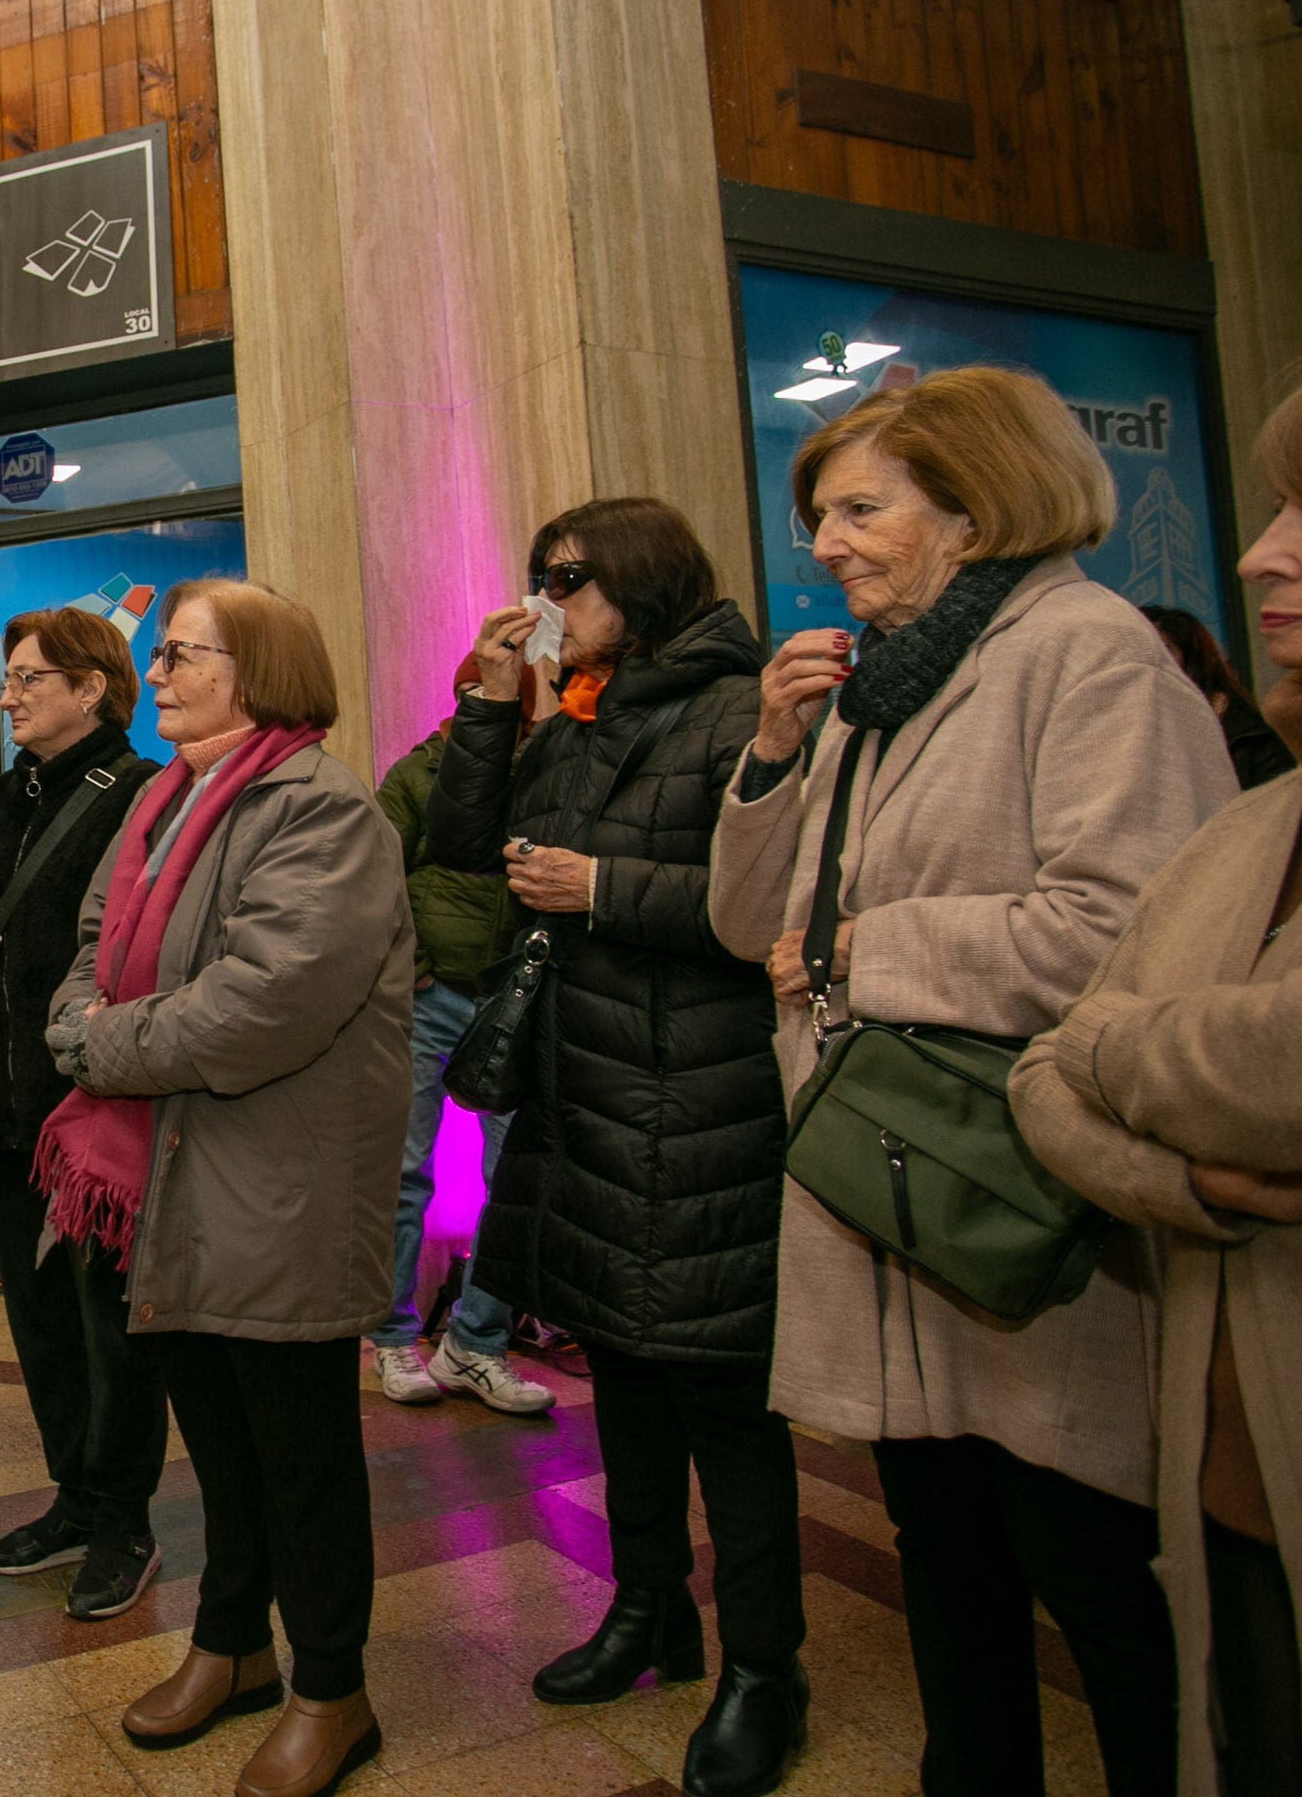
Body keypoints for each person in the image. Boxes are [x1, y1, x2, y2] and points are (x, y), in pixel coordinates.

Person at [705, 368, 1233, 1797]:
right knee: (942, 1557)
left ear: (973, 503)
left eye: (862, 509)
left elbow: (1126, 933)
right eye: (819, 515)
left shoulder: (1091, 654)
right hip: (882, 1192)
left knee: (1093, 1575)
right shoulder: (876, 692)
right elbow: (750, 928)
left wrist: (867, 951)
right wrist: (768, 756)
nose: (826, 543)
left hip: (1013, 1201)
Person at [1015, 328, 1302, 1796]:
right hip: (1229, 1497)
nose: (1265, 556)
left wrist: (1118, 1047)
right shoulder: (1254, 822)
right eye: (1277, 512)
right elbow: (1038, 1084)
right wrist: (1186, 1167)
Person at [425, 499, 803, 1793]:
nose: (551, 600)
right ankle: (652, 1612)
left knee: (724, 1402)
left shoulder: (736, 706)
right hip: (587, 1093)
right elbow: (472, 843)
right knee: (625, 1382)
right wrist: (488, 702)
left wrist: (604, 892)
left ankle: (767, 1667)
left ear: (640, 583)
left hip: (701, 1103)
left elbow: (771, 904)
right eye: (540, 579)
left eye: (569, 580)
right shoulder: (583, 705)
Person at [45, 578, 410, 1797]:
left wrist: (97, 1043)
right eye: (162, 657)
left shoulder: (323, 807)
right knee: (220, 1444)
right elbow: (90, 949)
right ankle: (232, 1644)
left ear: (255, 668)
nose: (155, 674)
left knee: (301, 1456)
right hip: (174, 1185)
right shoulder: (162, 794)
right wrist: (81, 1020)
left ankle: (331, 1688)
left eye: (182, 655)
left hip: (278, 1186)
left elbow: (263, 1004)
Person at [0, 607, 166, 1619]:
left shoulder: (147, 795)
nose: (10, 692)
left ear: (92, 687)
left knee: (109, 1325)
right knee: (39, 1325)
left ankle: (124, 1518)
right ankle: (74, 1495)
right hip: (9, 1116)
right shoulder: (0, 798)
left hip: (93, 1112)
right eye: (9, 676)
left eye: (33, 677)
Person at [369, 710, 548, 1416]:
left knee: (511, 1177)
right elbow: (376, 873)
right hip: (431, 995)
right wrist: (413, 968)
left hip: (507, 999)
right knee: (404, 1171)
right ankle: (391, 1335)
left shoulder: (535, 775)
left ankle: (477, 1341)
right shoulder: (416, 774)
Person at [1143, 604, 1295, 789]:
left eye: (1163, 651)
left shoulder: (1248, 737)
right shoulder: (1126, 725)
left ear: (1193, 660)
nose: (1145, 662)